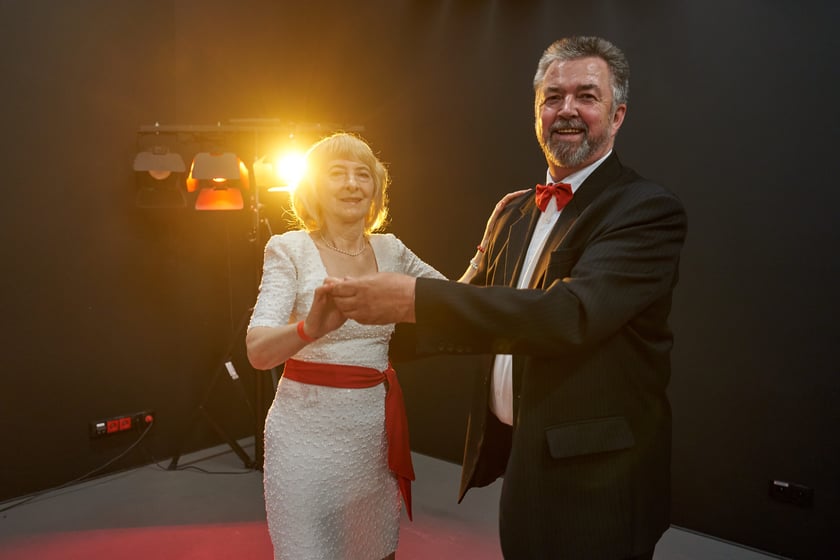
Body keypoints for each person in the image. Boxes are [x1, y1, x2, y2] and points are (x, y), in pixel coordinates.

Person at [323, 36, 688, 560]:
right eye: (552, 97)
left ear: (617, 115)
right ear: (537, 113)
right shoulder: (513, 212)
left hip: (603, 478)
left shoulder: (646, 209)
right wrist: (347, 335)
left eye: (586, 96)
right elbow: (471, 314)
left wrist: (412, 296)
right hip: (525, 462)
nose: (567, 109)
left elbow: (568, 316)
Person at [245, 132, 523, 560]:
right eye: (337, 174)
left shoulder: (390, 249)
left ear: (375, 190)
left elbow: (453, 301)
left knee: (375, 553)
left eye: (363, 175)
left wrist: (486, 243)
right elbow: (258, 351)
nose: (352, 184)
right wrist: (309, 329)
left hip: (372, 444)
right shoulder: (289, 249)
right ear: (313, 187)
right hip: (303, 444)